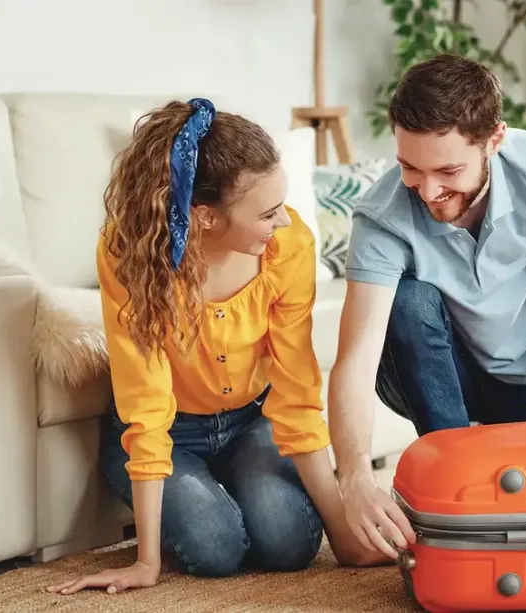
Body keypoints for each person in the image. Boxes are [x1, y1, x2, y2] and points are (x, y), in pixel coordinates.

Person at [47, 99, 381, 597]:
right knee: (216, 548)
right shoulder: (126, 253)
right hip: (170, 428)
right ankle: (203, 491)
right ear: (203, 216)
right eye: (268, 213)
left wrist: (344, 536)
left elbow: (295, 392)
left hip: (252, 420)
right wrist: (146, 562)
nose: (284, 222)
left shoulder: (288, 247)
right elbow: (147, 400)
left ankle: (235, 479)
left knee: (290, 545)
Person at [325, 54, 526, 560]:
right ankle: (459, 473)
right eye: (410, 167)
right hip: (434, 374)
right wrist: (353, 477)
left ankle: (496, 459)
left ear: (494, 141)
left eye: (448, 170)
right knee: (411, 301)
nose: (429, 191)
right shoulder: (382, 216)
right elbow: (356, 359)